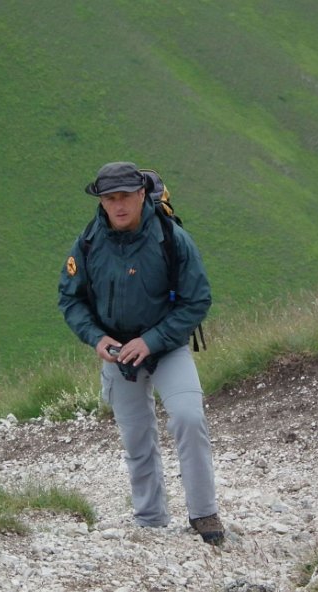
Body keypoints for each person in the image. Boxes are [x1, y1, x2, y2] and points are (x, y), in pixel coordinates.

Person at [58, 161, 224, 545]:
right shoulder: (87, 243)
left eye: (124, 197)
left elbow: (197, 299)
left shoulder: (171, 237)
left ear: (140, 196)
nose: (117, 206)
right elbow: (70, 298)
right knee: (136, 436)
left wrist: (151, 340)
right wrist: (97, 339)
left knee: (187, 418)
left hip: (167, 347)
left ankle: (204, 515)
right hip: (118, 354)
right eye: (109, 198)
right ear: (101, 202)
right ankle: (150, 522)